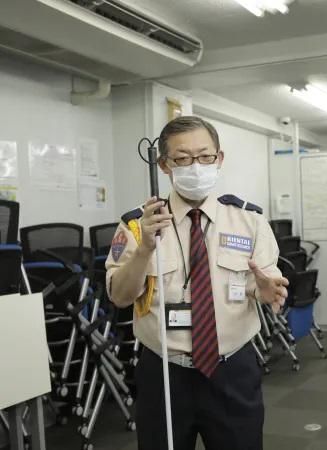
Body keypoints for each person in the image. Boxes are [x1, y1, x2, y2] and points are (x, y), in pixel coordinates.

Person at [106, 115, 288, 450]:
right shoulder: (136, 226)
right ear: (164, 165)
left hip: (232, 369)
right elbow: (119, 296)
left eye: (205, 157)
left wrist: (262, 290)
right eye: (183, 159)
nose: (196, 166)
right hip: (164, 374)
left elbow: (263, 281)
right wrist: (146, 247)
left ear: (219, 159)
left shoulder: (249, 221)